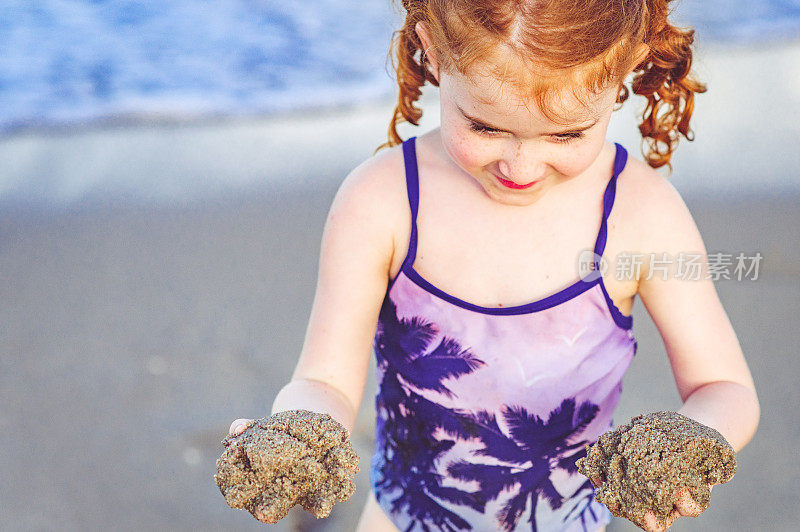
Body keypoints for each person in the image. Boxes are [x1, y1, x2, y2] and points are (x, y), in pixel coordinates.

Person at [228, 1, 760, 530]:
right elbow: (325, 379)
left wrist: (689, 444)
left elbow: (724, 388)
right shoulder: (381, 201)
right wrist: (296, 431)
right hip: (401, 519)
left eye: (565, 134)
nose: (520, 166)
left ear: (627, 66)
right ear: (433, 55)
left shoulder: (641, 214)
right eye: (484, 126)